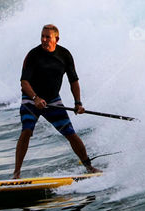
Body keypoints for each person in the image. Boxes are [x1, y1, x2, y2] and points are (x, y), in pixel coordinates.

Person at [13, 24, 100, 179]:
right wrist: (35, 98)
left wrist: (78, 103)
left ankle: (89, 167)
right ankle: (16, 173)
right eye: (42, 36)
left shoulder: (65, 55)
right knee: (26, 130)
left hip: (52, 101)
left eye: (48, 37)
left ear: (56, 39)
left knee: (70, 133)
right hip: (31, 100)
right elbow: (24, 83)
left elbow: (73, 81)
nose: (44, 40)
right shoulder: (33, 55)